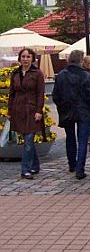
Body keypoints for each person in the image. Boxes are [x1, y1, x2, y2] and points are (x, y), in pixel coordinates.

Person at [52, 50, 90, 179]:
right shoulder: (85, 75)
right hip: (83, 111)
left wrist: (62, 106)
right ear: (81, 61)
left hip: (67, 110)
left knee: (70, 138)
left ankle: (72, 164)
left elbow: (55, 95)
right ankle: (80, 169)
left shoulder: (61, 75)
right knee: (82, 140)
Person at [7, 48, 45, 179]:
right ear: (19, 58)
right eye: (23, 56)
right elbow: (12, 93)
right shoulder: (15, 73)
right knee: (27, 140)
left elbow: (40, 94)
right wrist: (9, 111)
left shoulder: (37, 73)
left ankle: (25, 170)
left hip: (32, 109)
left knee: (28, 140)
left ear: (32, 58)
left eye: (28, 56)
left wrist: (39, 111)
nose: (25, 59)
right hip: (18, 110)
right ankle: (35, 165)